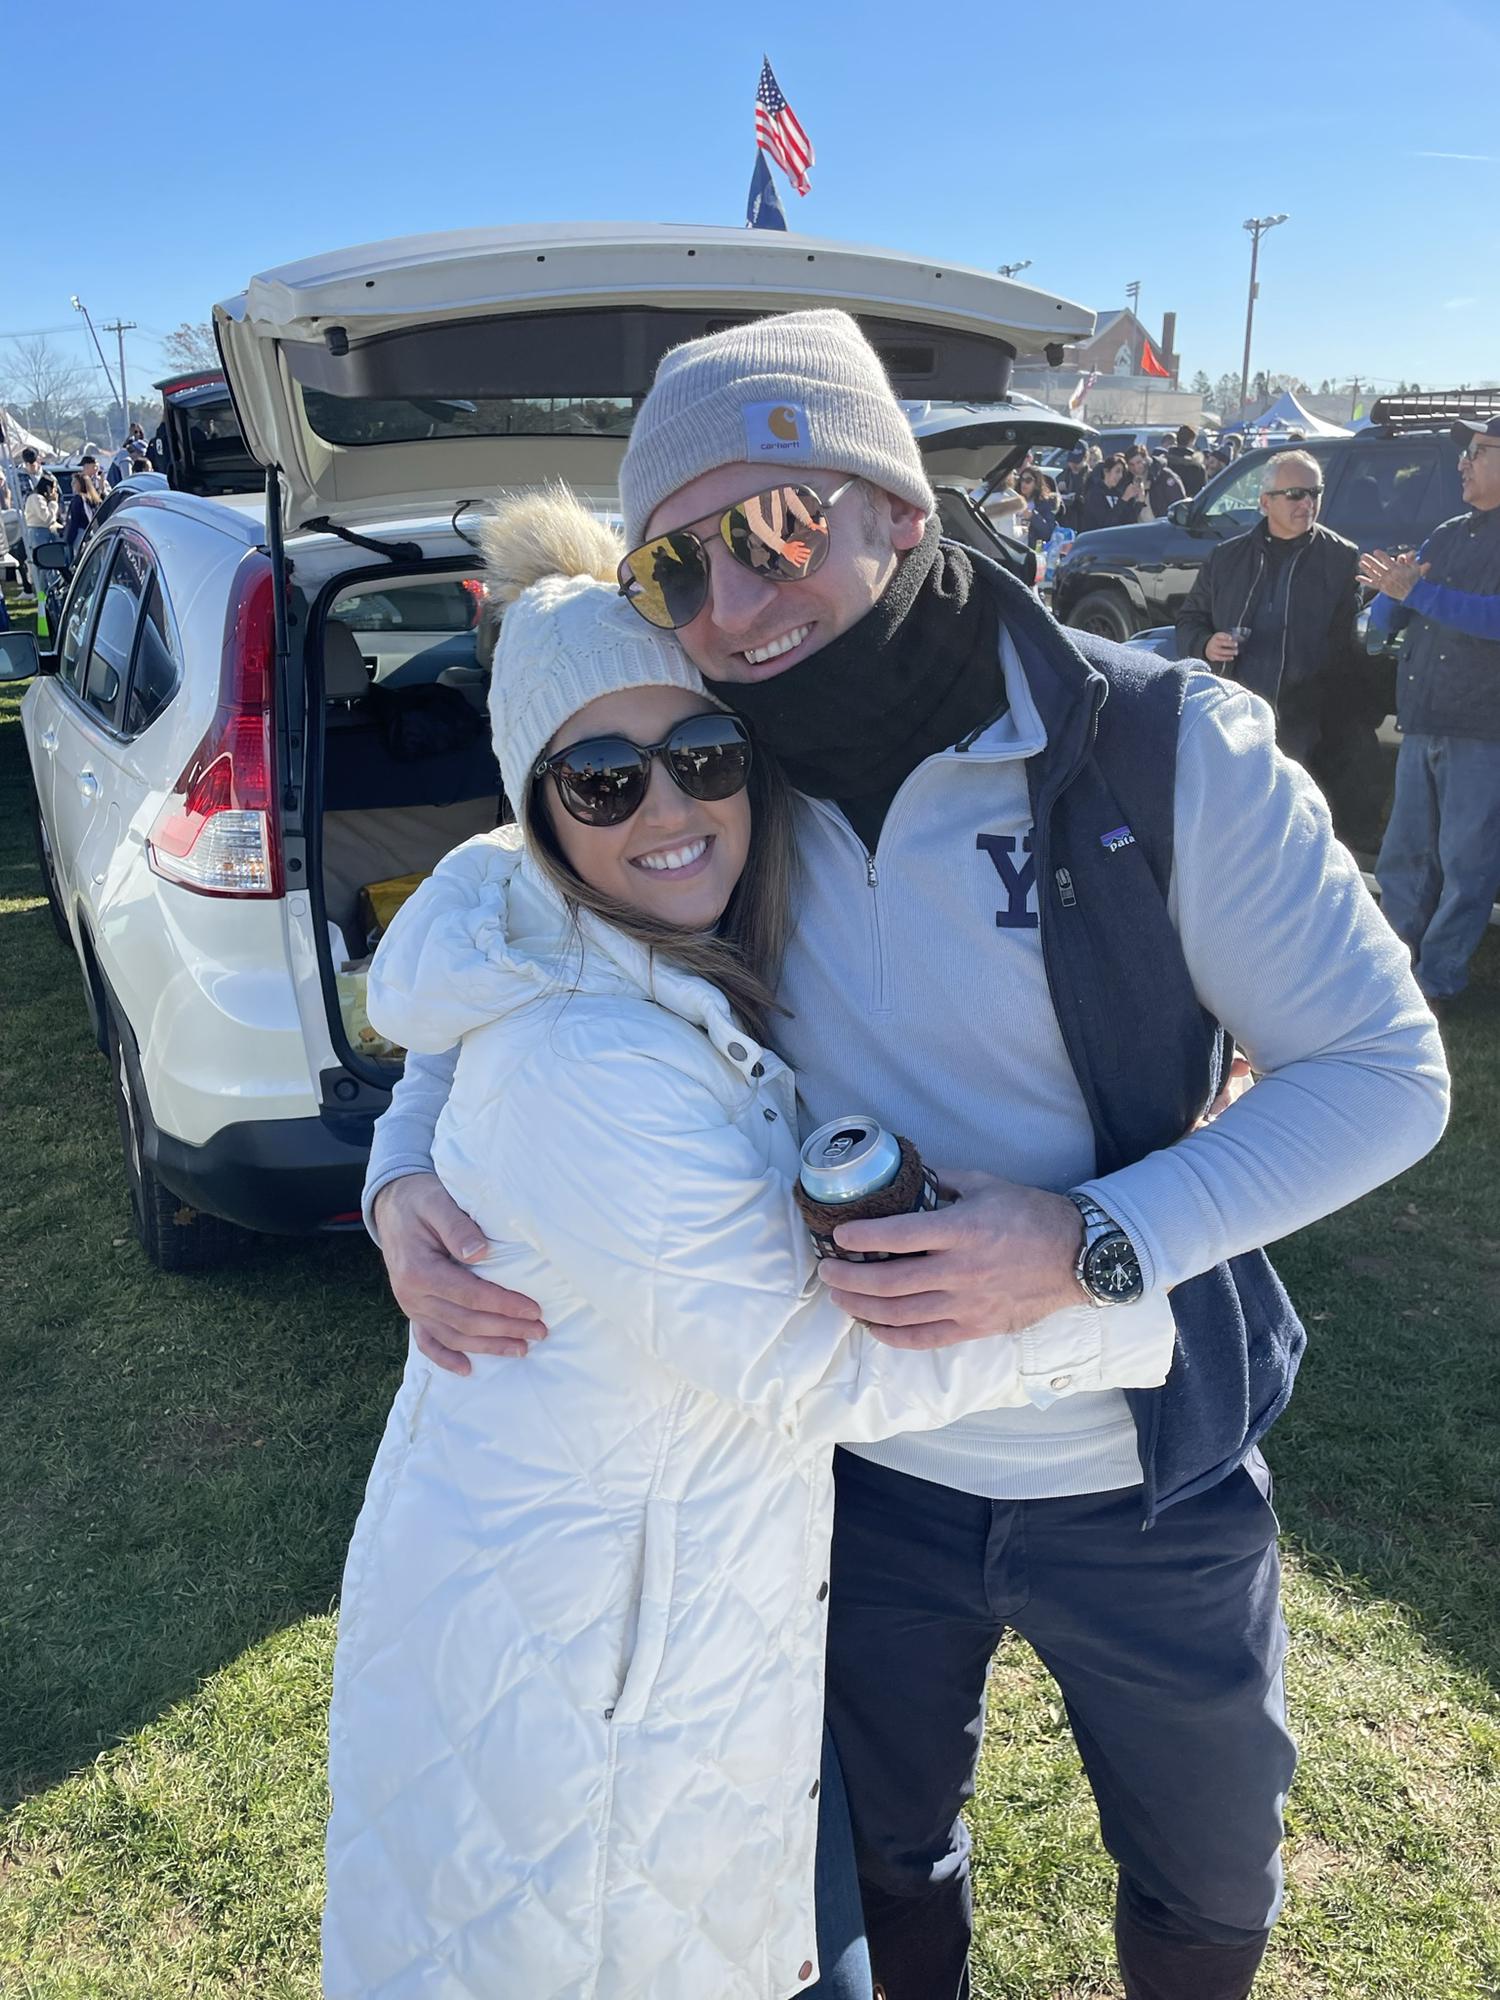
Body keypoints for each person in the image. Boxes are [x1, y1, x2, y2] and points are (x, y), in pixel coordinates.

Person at [365, 310, 1448, 2000]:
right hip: (854, 1474)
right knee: (883, 1860)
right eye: (675, 574)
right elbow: (525, 921)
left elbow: (1386, 1074)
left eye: (779, 531)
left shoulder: (1165, 751)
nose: (735, 608)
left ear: (901, 511)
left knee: (1210, 1862)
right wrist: (408, 1152)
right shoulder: (712, 763)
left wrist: (1091, 1242)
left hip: (1143, 1469)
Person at [322, 487, 1173, 2000]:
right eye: (601, 780)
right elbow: (810, 1369)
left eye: (703, 756)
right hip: (588, 1673)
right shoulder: (590, 1057)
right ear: (535, 813)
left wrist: (399, 1170)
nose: (667, 809)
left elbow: (453, 1033)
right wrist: (1130, 1272)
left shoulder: (615, 947)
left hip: (641, 1608)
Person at [1173, 451, 1386, 847]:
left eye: (1314, 493)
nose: (1307, 503)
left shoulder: (1340, 558)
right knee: (1231, 836)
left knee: (1291, 839)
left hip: (1309, 727)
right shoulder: (1227, 557)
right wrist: (1205, 643)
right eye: (1294, 494)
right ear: (1265, 500)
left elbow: (1351, 648)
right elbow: (1188, 620)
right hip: (1235, 719)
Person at [1363, 414, 1500, 1012]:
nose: (1462, 464)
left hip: (1483, 728)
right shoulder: (1446, 534)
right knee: (1405, 855)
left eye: (1477, 452)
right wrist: (1390, 602)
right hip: (1423, 718)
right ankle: (1394, 967)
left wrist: (1413, 593)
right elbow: (1391, 613)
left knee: (1466, 863)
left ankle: (1439, 979)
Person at [1118, 443, 1186, 523]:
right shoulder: (1127, 481)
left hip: (1162, 527)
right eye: (1131, 465)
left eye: (1139, 462)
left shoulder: (1163, 476)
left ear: (1145, 459)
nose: (1135, 468)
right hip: (1139, 529)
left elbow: (1179, 505)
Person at [1076, 451, 1132, 532]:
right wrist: (1124, 500)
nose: (1120, 476)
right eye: (1117, 471)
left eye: (1122, 472)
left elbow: (1127, 521)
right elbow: (1105, 523)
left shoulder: (1117, 493)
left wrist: (1139, 503)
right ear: (1106, 471)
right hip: (1096, 539)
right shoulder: (1095, 493)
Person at [63, 470, 99, 563]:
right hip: (92, 535)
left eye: (74, 482)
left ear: (81, 484)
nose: (72, 485)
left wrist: (68, 540)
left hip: (80, 534)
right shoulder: (94, 500)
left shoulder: (78, 499)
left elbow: (74, 521)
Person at [1167, 424, 1207, 498]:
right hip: (1188, 507)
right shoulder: (1197, 467)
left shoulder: (1164, 462)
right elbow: (1201, 495)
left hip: (1163, 506)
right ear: (1192, 440)